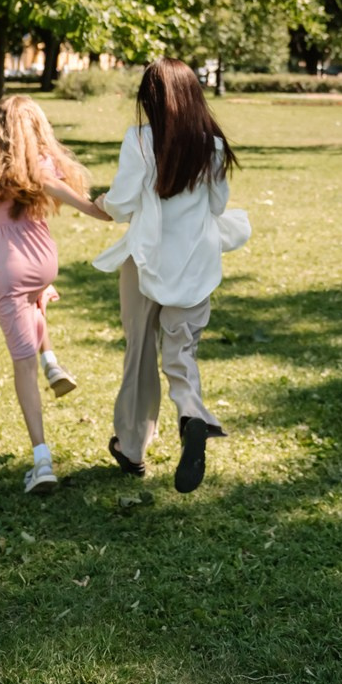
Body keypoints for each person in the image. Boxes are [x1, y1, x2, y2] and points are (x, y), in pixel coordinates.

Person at [93, 59, 250, 495]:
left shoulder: (140, 141)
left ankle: (131, 448)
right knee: (181, 356)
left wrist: (101, 201)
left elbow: (122, 204)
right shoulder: (212, 146)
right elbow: (218, 206)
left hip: (145, 263)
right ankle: (191, 415)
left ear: (150, 101)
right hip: (196, 264)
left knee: (139, 352)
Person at [0, 94, 112, 496]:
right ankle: (52, 362)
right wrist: (110, 205)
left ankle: (41, 460)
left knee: (23, 367)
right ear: (38, 128)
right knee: (34, 299)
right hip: (40, 264)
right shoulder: (44, 166)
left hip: (5, 265)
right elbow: (94, 209)